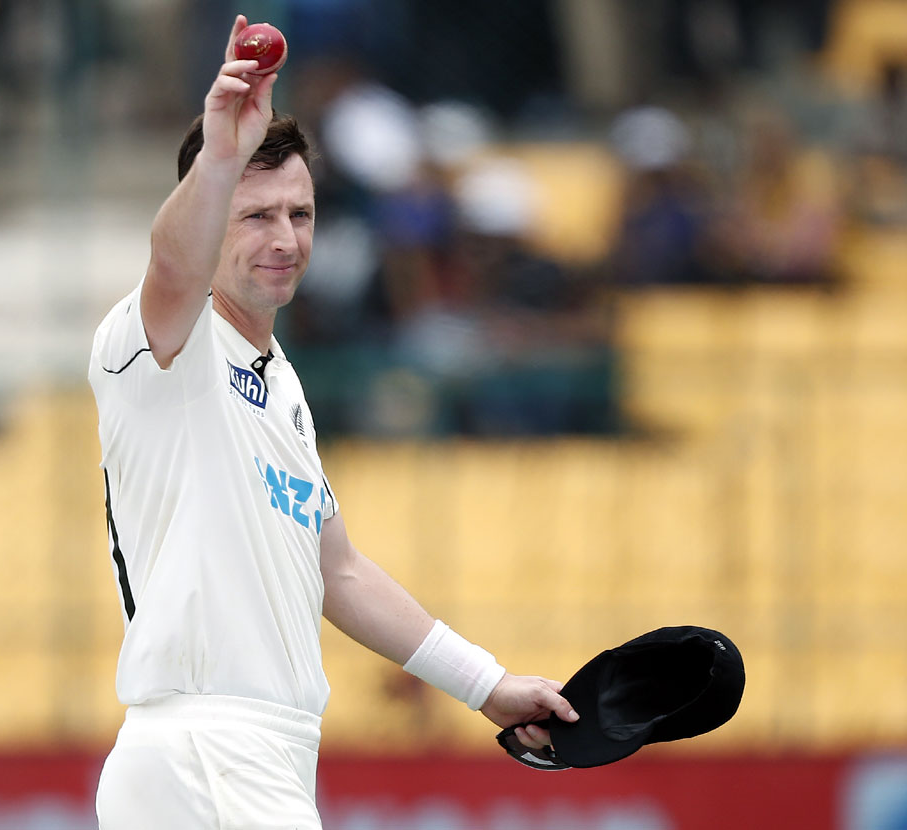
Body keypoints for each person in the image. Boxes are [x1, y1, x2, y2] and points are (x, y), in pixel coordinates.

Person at [87, 15, 578, 829]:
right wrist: (220, 154)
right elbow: (173, 265)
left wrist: (487, 686)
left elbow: (339, 572)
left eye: (301, 215)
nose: (285, 239)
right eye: (255, 216)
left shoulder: (280, 383)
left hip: (260, 756)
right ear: (210, 218)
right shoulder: (154, 343)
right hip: (207, 749)